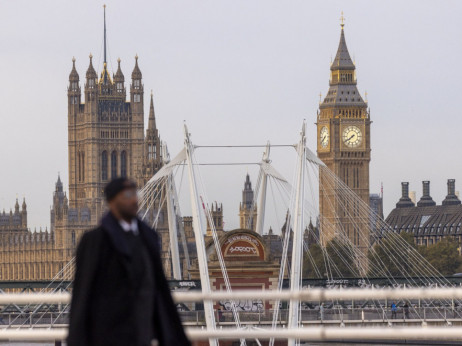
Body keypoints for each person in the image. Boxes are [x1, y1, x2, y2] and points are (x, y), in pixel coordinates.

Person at [67, 177, 190, 346]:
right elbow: (82, 296)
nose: (134, 199)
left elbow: (160, 291)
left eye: (135, 193)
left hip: (140, 335)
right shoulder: (94, 241)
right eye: (127, 195)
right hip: (106, 337)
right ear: (112, 201)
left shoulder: (149, 237)